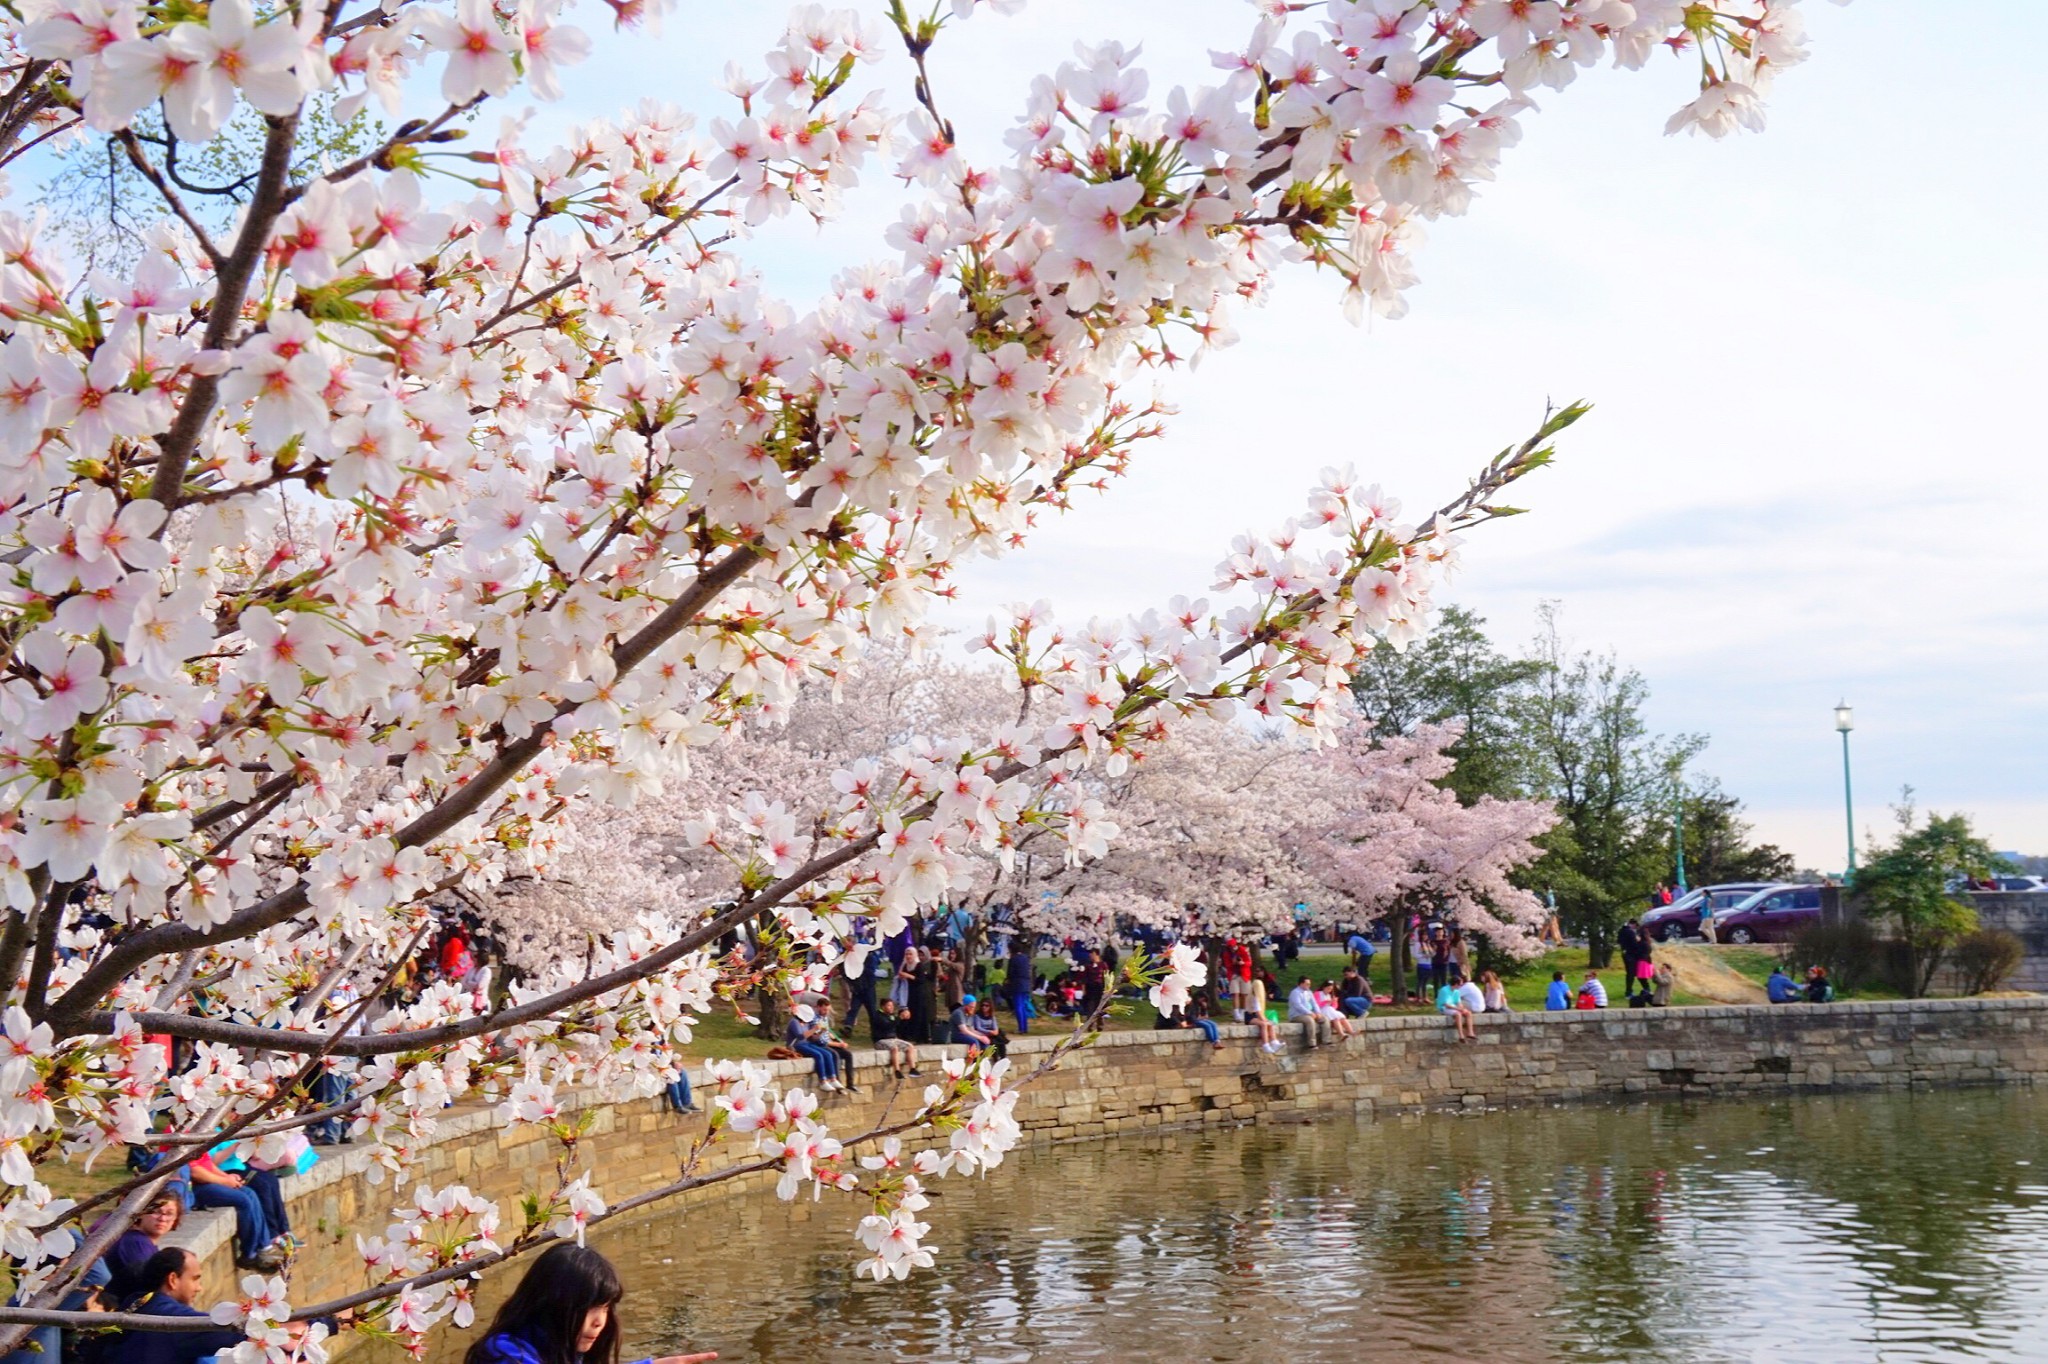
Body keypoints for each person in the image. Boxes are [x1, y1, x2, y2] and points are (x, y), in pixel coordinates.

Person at [466, 1243, 716, 1364]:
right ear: (554, 1303)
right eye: (591, 1307)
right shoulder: (506, 1354)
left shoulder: (559, 1350)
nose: (600, 1322)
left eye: (606, 1308)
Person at [190, 1150, 291, 1271]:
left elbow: (207, 1164)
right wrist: (224, 1181)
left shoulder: (195, 1135)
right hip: (195, 1188)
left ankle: (264, 1246)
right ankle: (249, 1254)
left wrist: (227, 1177)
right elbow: (194, 1172)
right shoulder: (181, 1137)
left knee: (250, 1193)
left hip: (208, 1182)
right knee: (244, 1201)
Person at [103, 1193, 181, 1306]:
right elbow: (147, 1284)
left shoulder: (143, 1241)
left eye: (169, 1214)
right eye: (156, 1211)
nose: (162, 1218)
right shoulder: (136, 1242)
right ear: (141, 1214)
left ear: (176, 1219)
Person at [783, 1012, 844, 1092]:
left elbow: (813, 1037)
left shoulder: (806, 1023)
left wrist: (820, 1031)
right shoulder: (794, 1022)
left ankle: (833, 1078)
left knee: (828, 1054)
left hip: (807, 1043)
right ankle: (822, 1081)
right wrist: (814, 1029)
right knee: (818, 1055)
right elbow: (800, 1036)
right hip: (796, 1045)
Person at [871, 999, 922, 1079]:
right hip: (881, 1040)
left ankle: (912, 1069)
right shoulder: (878, 1016)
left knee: (910, 1047)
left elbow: (897, 1027)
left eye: (892, 1005)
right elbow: (887, 1026)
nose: (891, 1008)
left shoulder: (891, 1015)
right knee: (894, 1048)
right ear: (883, 1006)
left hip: (893, 1039)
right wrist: (899, 1018)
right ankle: (897, 1071)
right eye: (889, 1005)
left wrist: (905, 1018)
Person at [1436, 972, 1477, 1042]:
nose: (1461, 986)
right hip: (1444, 1007)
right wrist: (1458, 1009)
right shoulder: (1444, 990)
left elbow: (1458, 1002)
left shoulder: (1456, 991)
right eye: (1460, 984)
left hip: (1453, 1007)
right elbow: (1446, 1004)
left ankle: (1470, 1032)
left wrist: (1462, 1008)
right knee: (1458, 1014)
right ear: (1455, 984)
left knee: (1468, 1013)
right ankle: (1461, 1035)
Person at [1248, 971, 1282, 1054]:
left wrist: (1265, 1019)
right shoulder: (1254, 998)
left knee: (1270, 1024)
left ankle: (1274, 1042)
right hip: (1250, 1016)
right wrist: (1264, 1019)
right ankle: (1265, 1045)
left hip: (1257, 1016)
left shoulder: (1259, 998)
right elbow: (1257, 1011)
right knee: (1264, 1024)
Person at [1618, 919, 1646, 1002]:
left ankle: (1630, 991)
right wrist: (1639, 941)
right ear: (1633, 924)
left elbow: (1618, 941)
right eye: (1635, 926)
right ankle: (1628, 992)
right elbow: (1634, 945)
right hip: (1631, 955)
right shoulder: (1630, 932)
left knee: (1630, 973)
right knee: (1631, 974)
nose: (1635, 928)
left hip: (1625, 953)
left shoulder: (1621, 931)